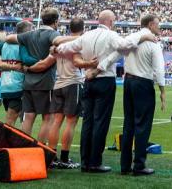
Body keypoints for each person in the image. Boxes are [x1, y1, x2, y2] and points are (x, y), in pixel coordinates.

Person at [56, 10, 155, 173]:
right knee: (100, 122)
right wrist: (142, 36)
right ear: (110, 21)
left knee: (88, 122)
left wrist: (56, 48)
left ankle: (85, 162)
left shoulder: (86, 35)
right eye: (114, 20)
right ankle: (95, 162)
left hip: (88, 81)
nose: (114, 23)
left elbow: (64, 48)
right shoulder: (110, 35)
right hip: (104, 80)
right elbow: (124, 46)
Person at [7, 8, 76, 140]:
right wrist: (78, 37)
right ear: (56, 21)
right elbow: (58, 41)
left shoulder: (29, 34)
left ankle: (24, 148)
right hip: (45, 83)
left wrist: (21, 41)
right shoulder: (52, 34)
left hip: (28, 82)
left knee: (28, 116)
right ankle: (40, 149)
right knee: (47, 118)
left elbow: (9, 38)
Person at [115, 14, 166, 176]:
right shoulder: (153, 44)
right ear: (151, 25)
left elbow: (121, 47)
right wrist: (162, 91)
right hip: (143, 83)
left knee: (128, 123)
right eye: (158, 24)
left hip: (129, 82)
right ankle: (139, 165)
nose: (159, 27)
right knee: (142, 125)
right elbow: (159, 70)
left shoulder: (132, 39)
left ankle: (125, 165)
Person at [40, 18, 94, 169]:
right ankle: (64, 158)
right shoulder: (78, 43)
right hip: (73, 83)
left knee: (56, 122)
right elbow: (78, 61)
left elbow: (48, 60)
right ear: (83, 29)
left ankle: (52, 157)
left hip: (59, 83)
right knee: (71, 122)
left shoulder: (60, 43)